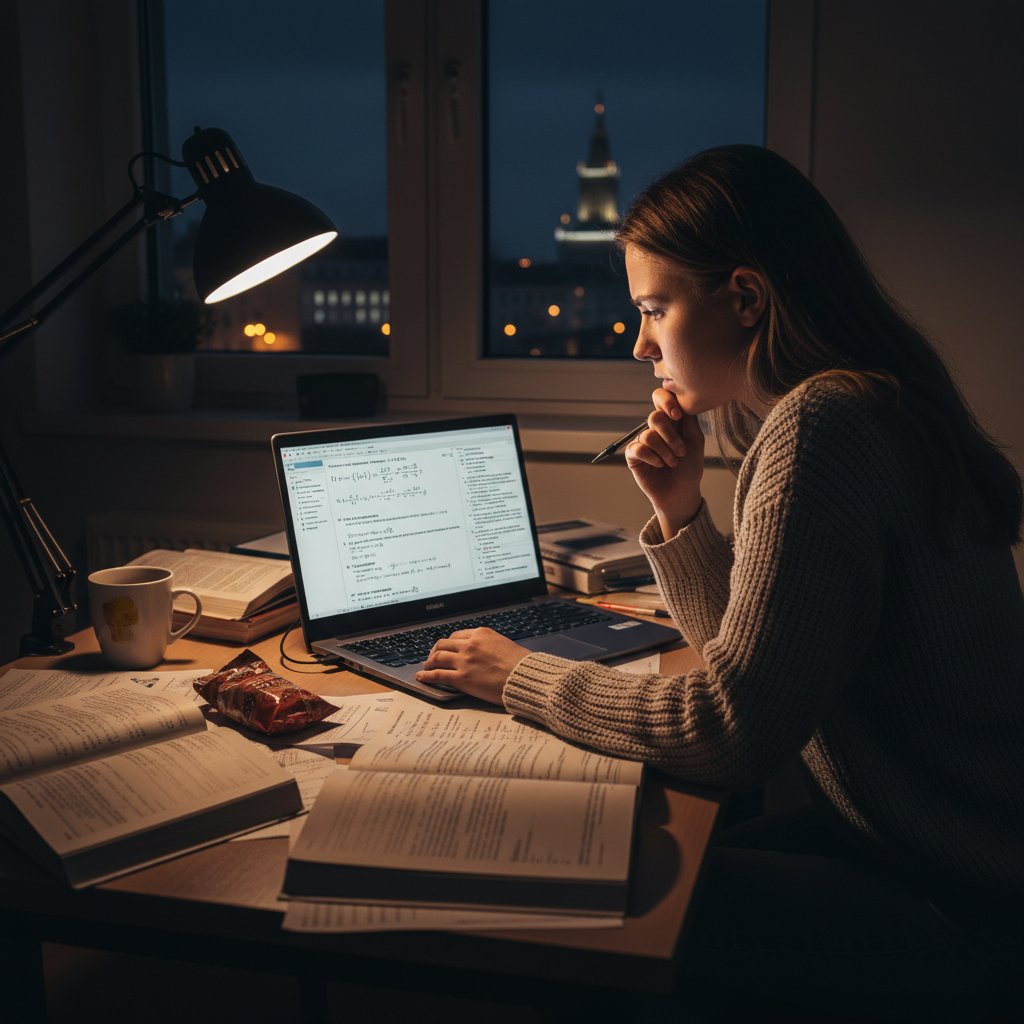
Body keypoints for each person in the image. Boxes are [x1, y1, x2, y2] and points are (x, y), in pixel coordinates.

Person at [416, 145, 1024, 1020]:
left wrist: (519, 675)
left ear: (744, 297)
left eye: (654, 309)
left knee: (573, 896)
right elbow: (746, 659)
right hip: (926, 846)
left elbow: (734, 730)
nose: (639, 343)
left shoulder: (824, 425)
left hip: (956, 898)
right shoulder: (867, 402)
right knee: (635, 840)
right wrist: (679, 509)